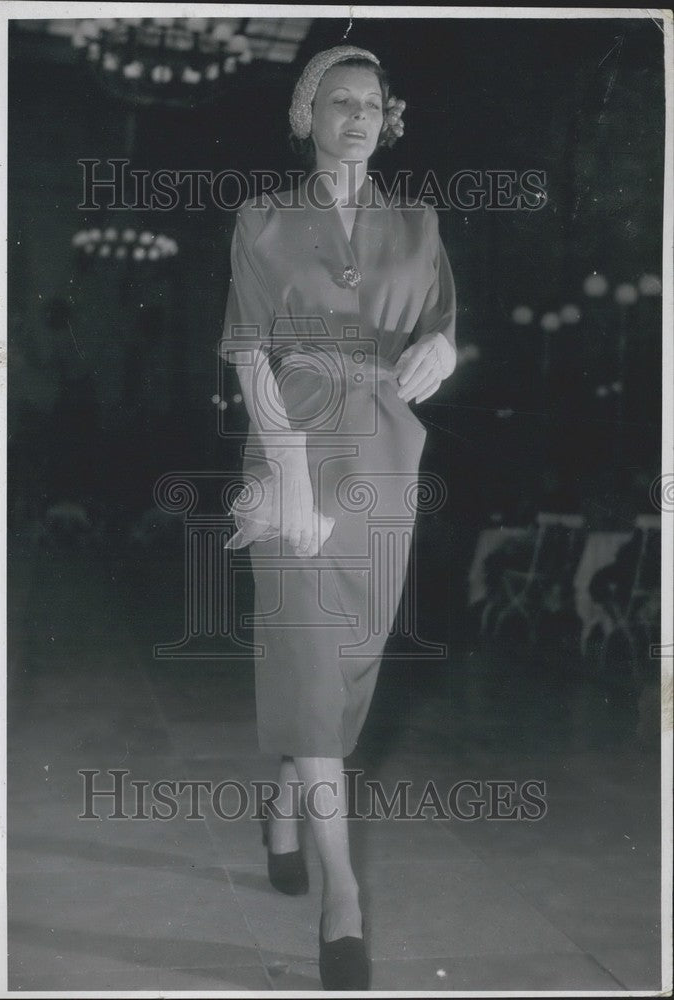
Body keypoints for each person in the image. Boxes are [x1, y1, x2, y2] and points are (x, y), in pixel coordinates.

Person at [218, 45, 457, 990]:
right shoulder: (264, 219)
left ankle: (284, 807)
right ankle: (343, 895)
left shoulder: (420, 221)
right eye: (337, 100)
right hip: (293, 448)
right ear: (305, 113)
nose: (357, 115)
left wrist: (447, 350)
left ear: (388, 118)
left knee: (348, 663)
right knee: (314, 660)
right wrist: (287, 479)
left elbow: (440, 323)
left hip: (388, 455)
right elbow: (248, 355)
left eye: (372, 102)